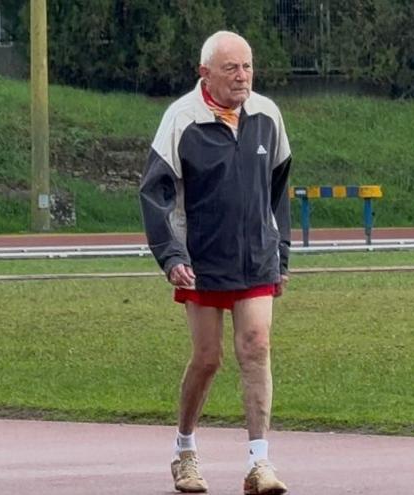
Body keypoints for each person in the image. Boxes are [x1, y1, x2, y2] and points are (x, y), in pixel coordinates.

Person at [139, 30, 291, 495]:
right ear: (205, 73)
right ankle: (184, 451)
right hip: (200, 260)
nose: (241, 76)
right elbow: (155, 192)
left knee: (257, 345)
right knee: (208, 359)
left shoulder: (267, 116)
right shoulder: (181, 118)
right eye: (231, 68)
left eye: (247, 66)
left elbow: (279, 186)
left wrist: (280, 250)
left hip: (256, 258)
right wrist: (171, 255)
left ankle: (259, 464)